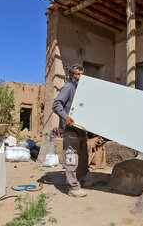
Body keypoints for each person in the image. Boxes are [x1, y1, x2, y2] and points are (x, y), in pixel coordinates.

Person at [52, 64, 89, 198]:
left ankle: (79, 181)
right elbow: (56, 105)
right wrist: (65, 117)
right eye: (78, 74)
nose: (80, 77)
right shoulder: (68, 88)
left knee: (83, 159)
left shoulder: (83, 91)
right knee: (71, 158)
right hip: (70, 129)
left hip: (81, 130)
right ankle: (73, 187)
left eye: (82, 74)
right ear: (72, 75)